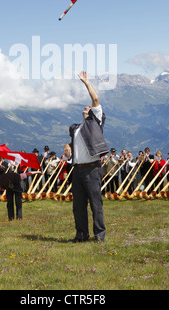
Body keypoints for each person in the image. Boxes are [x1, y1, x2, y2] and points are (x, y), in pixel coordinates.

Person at [67, 71, 109, 243]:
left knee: (95, 204)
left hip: (92, 169)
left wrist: (86, 82)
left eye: (89, 107)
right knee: (78, 207)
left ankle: (99, 236)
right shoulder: (77, 127)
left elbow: (96, 100)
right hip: (77, 170)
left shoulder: (95, 121)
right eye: (85, 107)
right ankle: (81, 235)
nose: (86, 106)